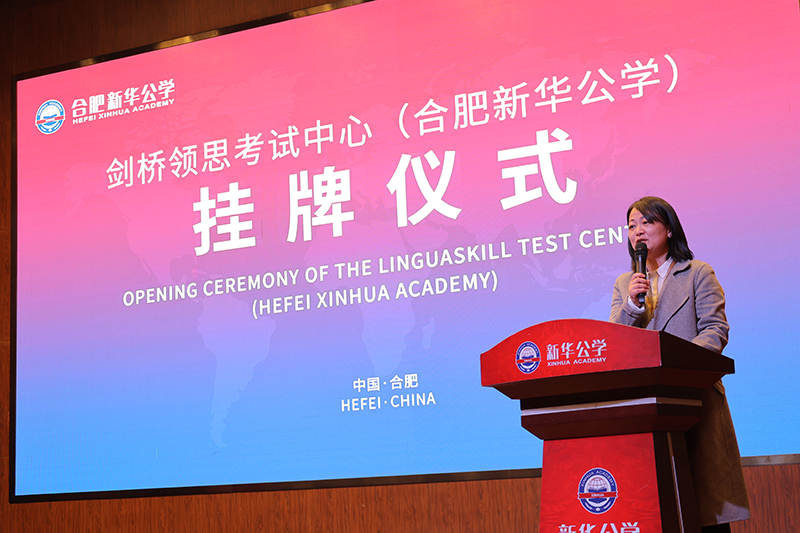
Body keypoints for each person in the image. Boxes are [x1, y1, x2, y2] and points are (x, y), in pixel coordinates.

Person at [610, 197, 750, 532]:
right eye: (631, 226)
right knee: (659, 508)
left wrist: (676, 366)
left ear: (669, 229)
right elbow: (617, 342)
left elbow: (715, 331)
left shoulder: (698, 272)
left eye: (647, 222)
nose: (638, 231)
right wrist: (632, 305)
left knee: (704, 508)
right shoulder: (625, 284)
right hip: (649, 407)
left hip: (694, 398)